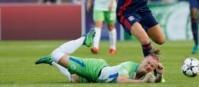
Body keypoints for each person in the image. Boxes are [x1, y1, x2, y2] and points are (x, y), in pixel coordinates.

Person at [35, 29, 164, 83]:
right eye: (148, 62)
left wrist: (159, 74)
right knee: (56, 54)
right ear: (143, 59)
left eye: (151, 66)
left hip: (97, 78)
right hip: (95, 69)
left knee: (72, 78)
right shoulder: (130, 65)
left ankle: (53, 62)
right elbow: (121, 80)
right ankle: (84, 39)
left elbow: (155, 81)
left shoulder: (147, 74)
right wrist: (142, 82)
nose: (148, 66)